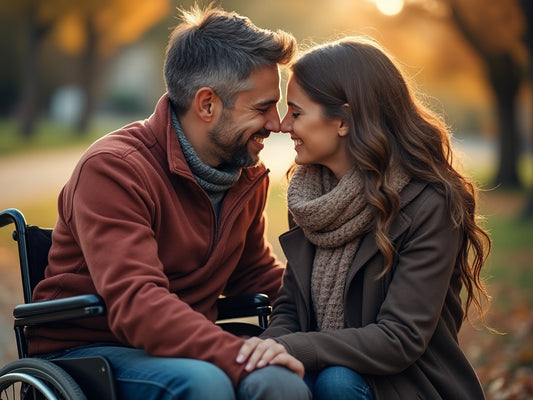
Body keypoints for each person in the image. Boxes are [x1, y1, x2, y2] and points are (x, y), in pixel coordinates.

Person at [29, 5, 310, 400]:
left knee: (279, 382)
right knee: (206, 384)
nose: (277, 123)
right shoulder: (114, 169)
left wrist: (337, 323)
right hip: (92, 348)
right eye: (263, 107)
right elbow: (138, 303)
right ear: (207, 104)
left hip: (186, 345)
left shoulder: (244, 172)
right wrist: (236, 353)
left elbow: (254, 274)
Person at [237, 36, 492, 399]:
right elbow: (291, 309)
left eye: (296, 112)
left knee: (336, 381)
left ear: (343, 120)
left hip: (411, 383)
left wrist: (297, 348)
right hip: (327, 370)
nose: (283, 126)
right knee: (273, 381)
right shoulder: (313, 200)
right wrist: (266, 350)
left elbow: (400, 337)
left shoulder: (430, 203)